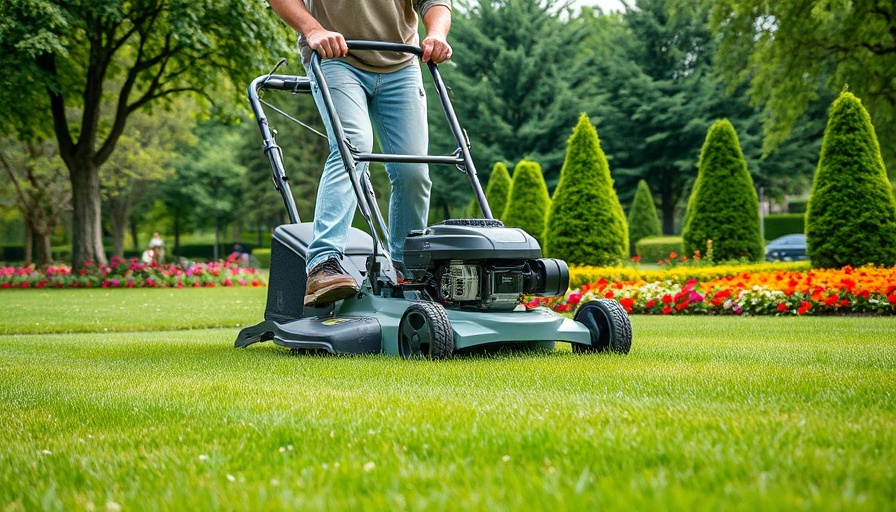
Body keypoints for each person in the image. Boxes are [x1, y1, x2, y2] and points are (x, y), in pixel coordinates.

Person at [266, 0, 453, 307]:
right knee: (352, 147)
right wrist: (312, 29)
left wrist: (436, 34)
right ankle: (323, 265)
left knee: (414, 170)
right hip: (336, 56)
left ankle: (409, 273)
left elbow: (434, 2)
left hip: (402, 62)